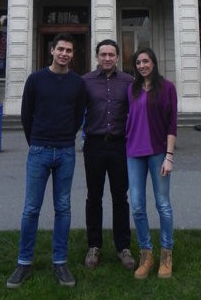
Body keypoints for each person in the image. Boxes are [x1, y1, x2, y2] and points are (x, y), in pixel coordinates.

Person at [7, 33, 86, 288]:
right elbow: (26, 114)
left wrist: (64, 137)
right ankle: (23, 263)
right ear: (52, 51)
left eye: (69, 51)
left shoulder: (77, 83)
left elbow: (77, 116)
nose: (64, 54)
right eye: (60, 49)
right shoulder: (35, 80)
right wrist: (37, 142)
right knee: (31, 209)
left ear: (73, 55)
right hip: (39, 151)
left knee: (63, 208)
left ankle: (60, 262)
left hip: (65, 152)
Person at [82, 39, 136, 270]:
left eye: (111, 54)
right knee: (94, 197)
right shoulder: (84, 81)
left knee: (120, 198)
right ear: (97, 57)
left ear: (117, 57)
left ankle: (123, 247)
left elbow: (138, 112)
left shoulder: (129, 82)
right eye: (103, 54)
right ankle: (94, 246)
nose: (107, 58)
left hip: (119, 146)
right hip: (94, 145)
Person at [125, 47, 177, 279]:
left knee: (163, 205)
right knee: (137, 206)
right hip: (134, 153)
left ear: (153, 63)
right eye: (138, 63)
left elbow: (172, 124)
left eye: (145, 61)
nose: (142, 66)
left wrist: (169, 156)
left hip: (158, 153)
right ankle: (146, 254)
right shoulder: (132, 89)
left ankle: (166, 254)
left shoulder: (167, 88)